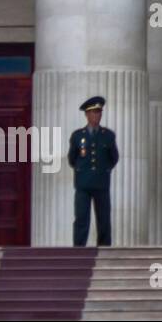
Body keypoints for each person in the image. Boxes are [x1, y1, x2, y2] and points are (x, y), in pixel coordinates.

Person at [68, 96, 119, 247]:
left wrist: (104, 170)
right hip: (83, 183)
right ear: (87, 114)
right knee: (81, 217)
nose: (97, 115)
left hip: (101, 182)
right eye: (94, 112)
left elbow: (114, 157)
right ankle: (79, 247)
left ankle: (104, 247)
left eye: (99, 112)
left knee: (103, 218)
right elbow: (72, 158)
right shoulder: (78, 136)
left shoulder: (108, 135)